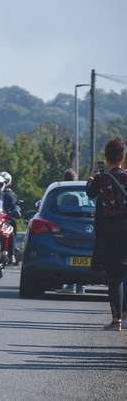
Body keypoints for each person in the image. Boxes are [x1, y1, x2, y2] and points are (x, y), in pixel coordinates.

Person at [86, 137, 127, 331]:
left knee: (115, 278)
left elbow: (90, 193)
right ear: (122, 156)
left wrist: (93, 176)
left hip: (110, 234)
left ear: (106, 157)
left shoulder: (102, 178)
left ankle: (117, 320)